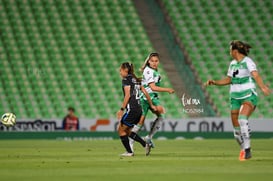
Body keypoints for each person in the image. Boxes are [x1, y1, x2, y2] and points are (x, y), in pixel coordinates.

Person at [205, 40, 271, 161]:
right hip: (234, 97)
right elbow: (229, 80)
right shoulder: (232, 64)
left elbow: (255, 75)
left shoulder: (248, 62)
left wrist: (263, 87)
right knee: (236, 133)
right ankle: (243, 149)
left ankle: (247, 150)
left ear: (235, 51)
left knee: (242, 119)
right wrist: (215, 82)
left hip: (248, 95)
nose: (229, 52)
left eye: (230, 50)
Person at [130, 53, 175, 149]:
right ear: (149, 62)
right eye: (152, 61)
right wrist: (168, 89)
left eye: (156, 61)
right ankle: (131, 144)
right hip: (144, 98)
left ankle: (148, 137)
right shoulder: (148, 71)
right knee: (140, 122)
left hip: (153, 97)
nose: (154, 63)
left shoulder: (153, 71)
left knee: (162, 114)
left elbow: (145, 83)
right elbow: (153, 87)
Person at [116, 62, 155, 157]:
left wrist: (121, 109)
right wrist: (151, 104)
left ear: (125, 70)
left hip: (132, 109)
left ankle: (129, 152)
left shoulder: (126, 80)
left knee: (120, 130)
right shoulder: (136, 80)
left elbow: (128, 95)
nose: (120, 72)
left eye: (120, 70)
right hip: (139, 109)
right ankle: (145, 144)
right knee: (128, 131)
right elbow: (145, 92)